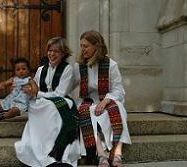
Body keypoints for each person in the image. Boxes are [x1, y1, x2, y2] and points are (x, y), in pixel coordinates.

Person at [14, 37, 80, 167]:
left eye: (56, 51)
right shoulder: (41, 70)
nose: (52, 54)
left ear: (63, 53)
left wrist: (37, 94)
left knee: (50, 106)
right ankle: (38, 149)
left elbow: (59, 93)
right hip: (42, 102)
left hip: (61, 101)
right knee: (36, 106)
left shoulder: (67, 69)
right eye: (50, 50)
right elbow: (33, 87)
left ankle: (57, 154)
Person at [73, 30, 131, 167]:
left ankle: (117, 155)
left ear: (96, 46)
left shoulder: (111, 65)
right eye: (81, 46)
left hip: (108, 100)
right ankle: (102, 156)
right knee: (86, 113)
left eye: (85, 46)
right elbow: (67, 84)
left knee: (120, 110)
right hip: (88, 101)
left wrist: (106, 101)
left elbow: (119, 90)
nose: (82, 49)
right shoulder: (79, 66)